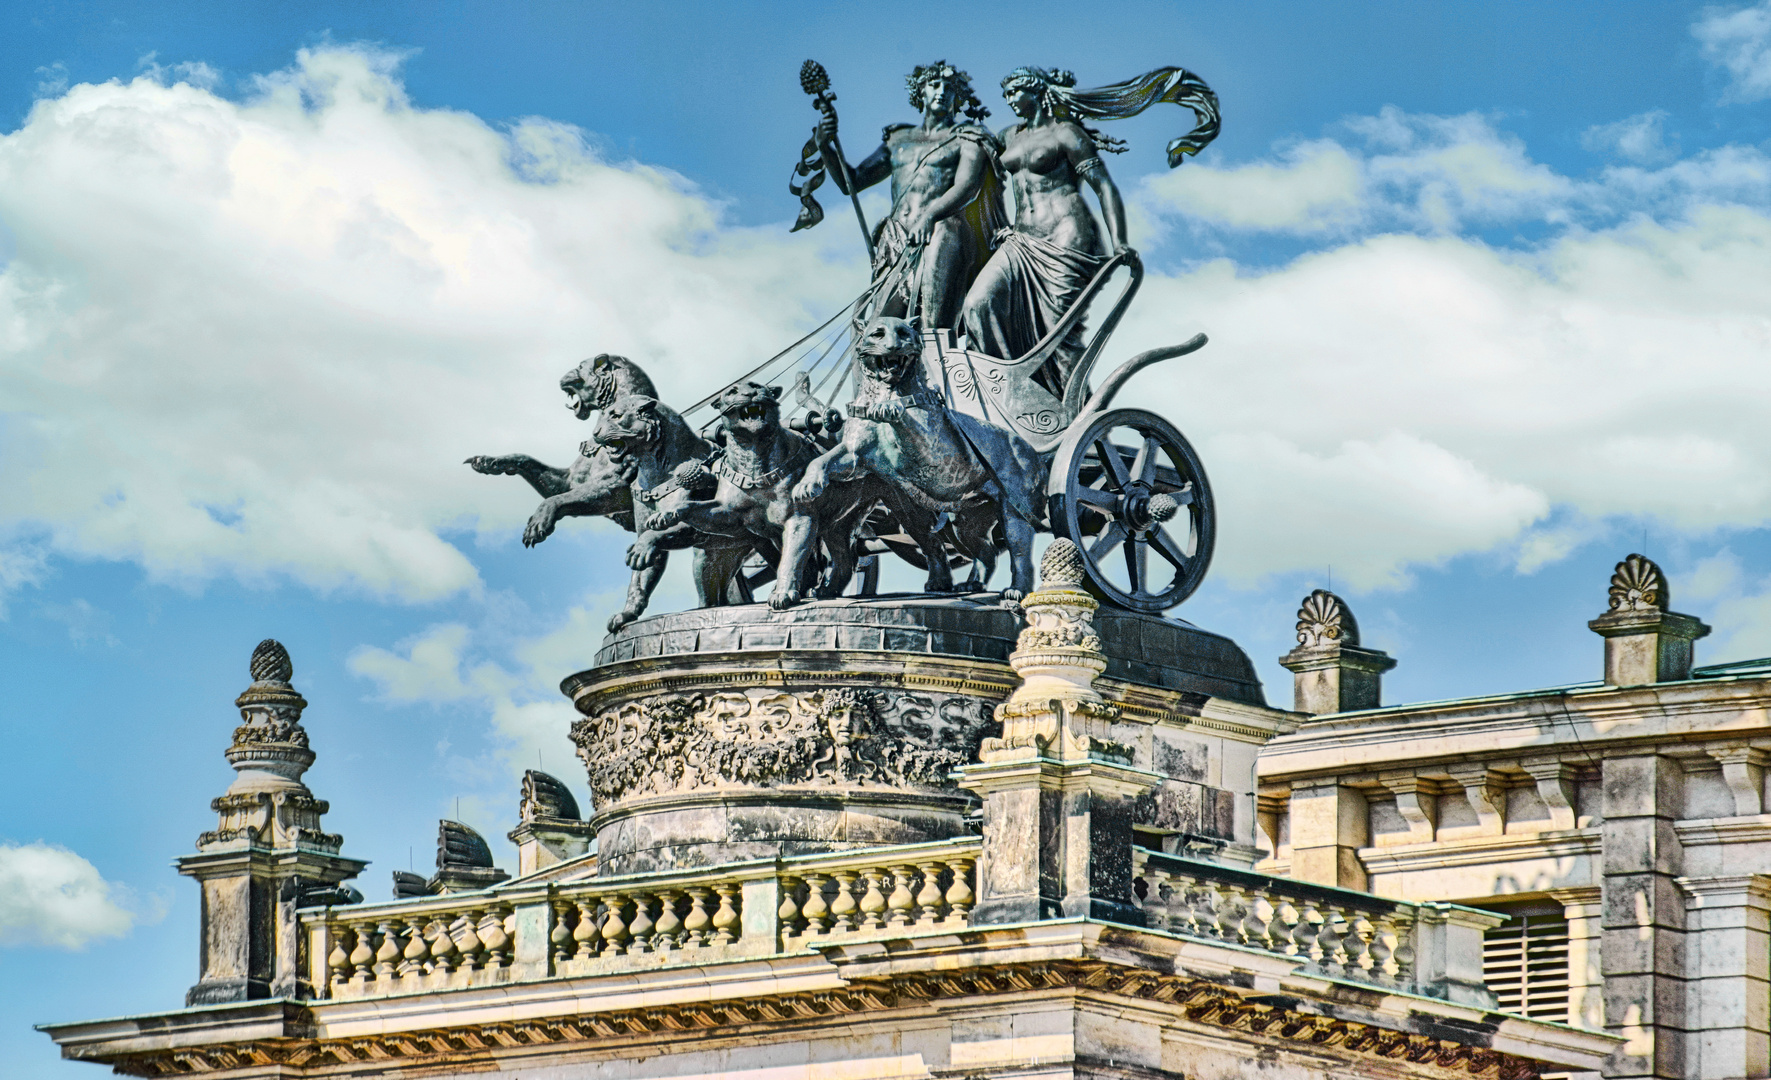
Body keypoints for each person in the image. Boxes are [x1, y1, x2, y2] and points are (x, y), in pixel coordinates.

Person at [961, 66, 1219, 394]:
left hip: (1066, 235)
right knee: (978, 303)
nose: (1009, 100)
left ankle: (1073, 410)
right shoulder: (1009, 136)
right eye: (1006, 94)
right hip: (1021, 240)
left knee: (1059, 334)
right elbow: (978, 173)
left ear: (1036, 91)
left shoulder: (1067, 134)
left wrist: (1120, 240)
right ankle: (1011, 388)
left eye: (1015, 92)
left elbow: (1105, 188)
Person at [815, 61, 1007, 332]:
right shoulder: (898, 140)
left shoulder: (968, 137)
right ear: (921, 92)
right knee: (880, 328)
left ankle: (941, 368)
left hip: (941, 236)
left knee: (933, 331)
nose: (941, 91)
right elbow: (853, 181)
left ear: (958, 97)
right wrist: (825, 145)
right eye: (934, 85)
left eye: (949, 88)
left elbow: (967, 187)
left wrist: (931, 215)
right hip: (896, 241)